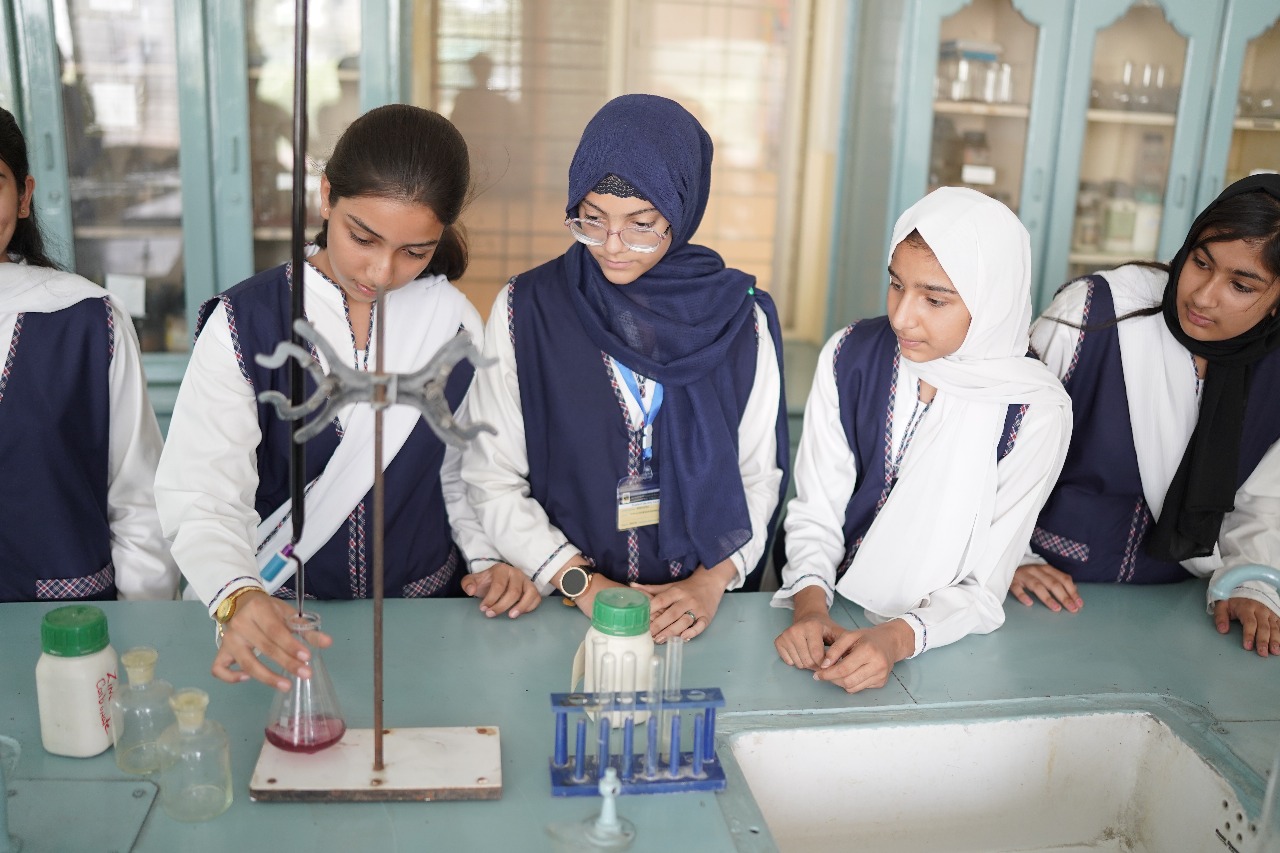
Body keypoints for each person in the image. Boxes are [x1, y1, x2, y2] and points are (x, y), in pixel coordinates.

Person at [155, 105, 499, 689]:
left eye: (415, 251)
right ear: (325, 197)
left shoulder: (453, 322)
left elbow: (467, 471)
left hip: (426, 621)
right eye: (362, 237)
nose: (382, 272)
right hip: (281, 617)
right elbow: (202, 492)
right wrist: (238, 596)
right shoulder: (245, 322)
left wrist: (489, 560)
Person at [460, 94, 788, 642]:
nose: (612, 246)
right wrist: (580, 583)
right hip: (562, 608)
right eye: (591, 220)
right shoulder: (526, 308)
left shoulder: (739, 320)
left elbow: (758, 475)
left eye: (641, 225)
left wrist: (711, 582)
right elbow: (491, 476)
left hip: (695, 615)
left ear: (681, 210)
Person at [773, 187, 1072, 694]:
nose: (901, 317)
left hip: (938, 642)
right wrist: (809, 608)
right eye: (896, 285)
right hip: (825, 601)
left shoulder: (1034, 410)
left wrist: (895, 640)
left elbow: (983, 587)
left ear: (992, 300)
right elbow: (817, 510)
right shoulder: (851, 355)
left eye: (934, 299)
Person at [1010, 174, 1280, 657]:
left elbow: (1263, 498)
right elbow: (995, 445)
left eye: (1241, 285)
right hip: (1045, 592)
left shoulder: (1273, 368)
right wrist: (1009, 558)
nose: (1202, 296)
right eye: (1200, 262)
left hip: (1179, 606)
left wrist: (1250, 584)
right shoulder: (1095, 312)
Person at [0, 107, 176, 602]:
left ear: (23, 197)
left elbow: (140, 503)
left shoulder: (85, 320)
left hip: (74, 629)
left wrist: (141, 629)